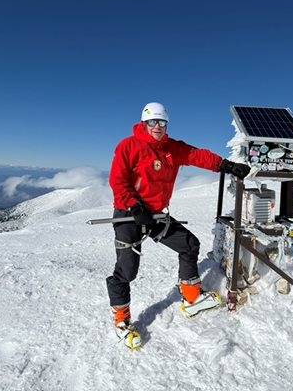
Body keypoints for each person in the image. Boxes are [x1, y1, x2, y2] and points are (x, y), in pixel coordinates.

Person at [106, 102, 250, 349]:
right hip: (129, 214)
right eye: (153, 122)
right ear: (144, 123)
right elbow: (118, 180)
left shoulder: (172, 148)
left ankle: (192, 298)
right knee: (127, 270)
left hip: (156, 216)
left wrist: (226, 166)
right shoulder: (129, 146)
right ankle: (121, 321)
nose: (157, 127)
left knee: (189, 244)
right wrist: (133, 205)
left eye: (162, 122)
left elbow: (198, 156)